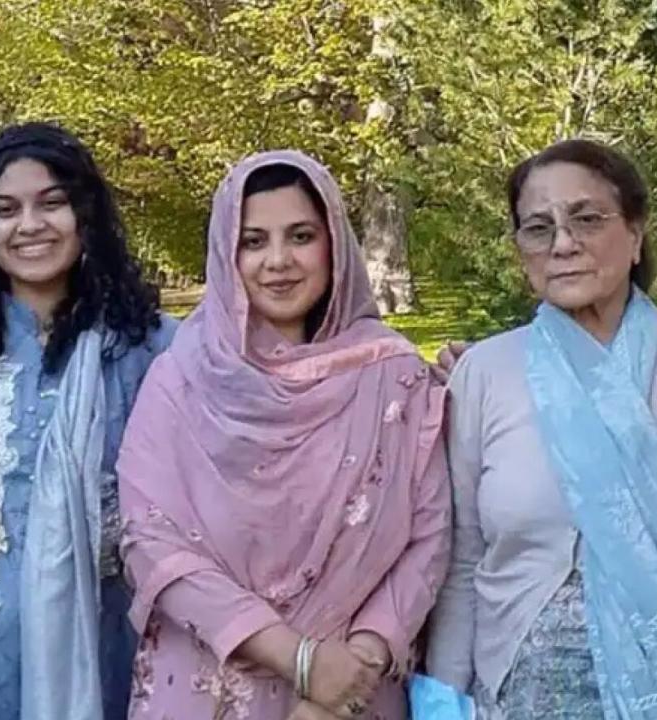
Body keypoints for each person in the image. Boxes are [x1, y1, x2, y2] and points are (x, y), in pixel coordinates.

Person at [426, 138, 657, 719]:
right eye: (537, 228)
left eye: (587, 219)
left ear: (637, 234)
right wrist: (442, 699)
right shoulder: (484, 374)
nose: (563, 244)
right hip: (523, 687)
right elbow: (465, 557)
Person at [116, 151, 451, 719]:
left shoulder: (394, 376)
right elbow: (150, 541)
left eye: (300, 236)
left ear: (334, 244)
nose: (278, 262)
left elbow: (428, 536)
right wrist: (298, 660)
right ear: (228, 253)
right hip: (207, 681)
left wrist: (351, 670)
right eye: (253, 241)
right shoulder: (181, 379)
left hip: (352, 691)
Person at [0, 122, 176, 720]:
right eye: (4, 209)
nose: (29, 226)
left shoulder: (151, 349)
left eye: (52, 203)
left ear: (86, 214)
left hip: (103, 652)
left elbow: (259, 397)